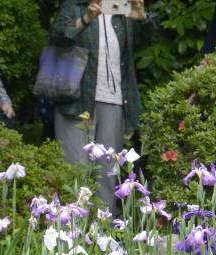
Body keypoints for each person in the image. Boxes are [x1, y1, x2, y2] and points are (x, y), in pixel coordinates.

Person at [50, 0, 149, 206]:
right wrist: (86, 18)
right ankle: (73, 230)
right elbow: (58, 36)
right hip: (75, 101)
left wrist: (140, 17)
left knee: (108, 172)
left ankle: (104, 230)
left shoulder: (123, 13)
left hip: (113, 100)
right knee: (76, 170)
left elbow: (145, 44)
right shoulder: (75, 6)